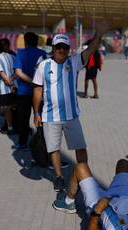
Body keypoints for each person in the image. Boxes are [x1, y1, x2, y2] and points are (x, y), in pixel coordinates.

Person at [32, 22, 108, 192]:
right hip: (50, 117)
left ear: (68, 49)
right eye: (58, 47)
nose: (61, 50)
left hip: (71, 116)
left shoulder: (74, 62)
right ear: (53, 48)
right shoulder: (43, 66)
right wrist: (36, 113)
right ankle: (58, 177)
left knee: (80, 148)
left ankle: (84, 176)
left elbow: (90, 50)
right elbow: (37, 89)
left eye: (64, 47)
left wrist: (99, 35)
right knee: (54, 149)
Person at [13, 32, 47, 150]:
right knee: (40, 118)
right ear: (37, 41)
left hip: (23, 92)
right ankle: (42, 142)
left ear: (25, 41)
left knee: (23, 119)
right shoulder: (43, 54)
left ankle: (23, 144)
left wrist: (32, 81)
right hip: (40, 92)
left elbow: (18, 72)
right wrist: (37, 82)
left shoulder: (21, 53)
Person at [0, 41, 16, 135]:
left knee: (7, 108)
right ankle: (13, 125)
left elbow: (1, 73)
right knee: (14, 107)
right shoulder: (12, 56)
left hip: (5, 88)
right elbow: (18, 71)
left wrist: (9, 82)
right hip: (15, 86)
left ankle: (10, 128)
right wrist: (12, 81)